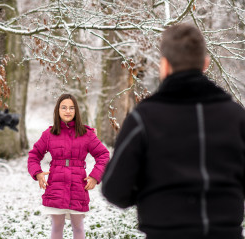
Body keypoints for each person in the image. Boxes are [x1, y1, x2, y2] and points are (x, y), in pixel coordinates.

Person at [101, 23, 245, 239]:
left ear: (165, 65)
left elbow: (114, 189)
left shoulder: (143, 119)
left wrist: (150, 192)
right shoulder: (237, 117)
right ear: (205, 64)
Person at [28, 93, 109, 239]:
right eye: (64, 107)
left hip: (78, 186)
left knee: (78, 227)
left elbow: (103, 155)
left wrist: (95, 176)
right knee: (57, 226)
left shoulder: (86, 134)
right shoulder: (49, 134)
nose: (67, 111)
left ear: (76, 111)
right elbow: (34, 155)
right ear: (58, 110)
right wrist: (37, 173)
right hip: (55, 187)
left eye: (71, 108)